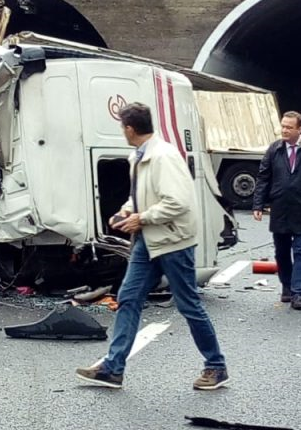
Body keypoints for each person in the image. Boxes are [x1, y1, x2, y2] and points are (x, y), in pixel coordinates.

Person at [76, 102, 229, 390]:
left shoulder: (163, 157)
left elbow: (177, 202)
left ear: (129, 129)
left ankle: (216, 366)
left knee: (189, 305)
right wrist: (125, 212)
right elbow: (140, 197)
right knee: (128, 299)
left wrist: (141, 218)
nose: (122, 131)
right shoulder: (139, 156)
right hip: (148, 241)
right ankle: (113, 368)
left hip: (173, 241)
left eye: (122, 126)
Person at [251, 111, 301, 310]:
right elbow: (263, 177)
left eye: (289, 127)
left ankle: (298, 294)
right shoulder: (274, 149)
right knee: (282, 251)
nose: (284, 130)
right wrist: (258, 204)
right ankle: (286, 286)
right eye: (283, 126)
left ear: (299, 129)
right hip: (280, 208)